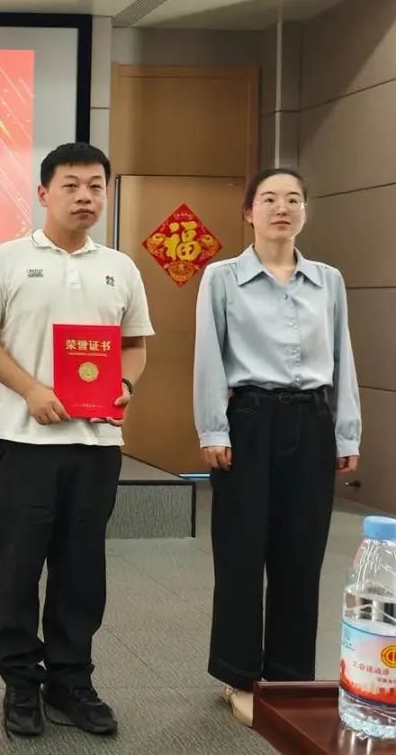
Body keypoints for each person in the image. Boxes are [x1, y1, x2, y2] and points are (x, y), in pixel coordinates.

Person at [0, 142, 153, 738]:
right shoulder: (7, 260)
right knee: (19, 567)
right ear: (44, 193)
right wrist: (31, 390)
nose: (85, 197)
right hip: (26, 442)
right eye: (71, 185)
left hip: (97, 445)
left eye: (96, 186)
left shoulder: (120, 267)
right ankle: (21, 680)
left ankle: (71, 680)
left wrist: (124, 385)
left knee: (82, 568)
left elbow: (135, 345)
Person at [193, 166, 361, 727]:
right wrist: (213, 429)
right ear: (249, 212)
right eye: (268, 199)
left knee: (301, 555)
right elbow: (208, 356)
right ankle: (238, 676)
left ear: (305, 211)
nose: (281, 208)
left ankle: (288, 679)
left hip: (311, 421)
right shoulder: (222, 277)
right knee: (241, 552)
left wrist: (346, 431)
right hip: (248, 420)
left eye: (293, 199)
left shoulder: (328, 280)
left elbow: (342, 356)